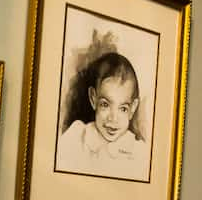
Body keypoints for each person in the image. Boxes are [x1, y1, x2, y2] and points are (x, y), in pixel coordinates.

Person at [55, 52, 151, 181]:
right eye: (105, 104)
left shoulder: (139, 152)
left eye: (123, 108)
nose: (113, 118)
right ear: (93, 98)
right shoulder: (77, 135)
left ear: (133, 108)